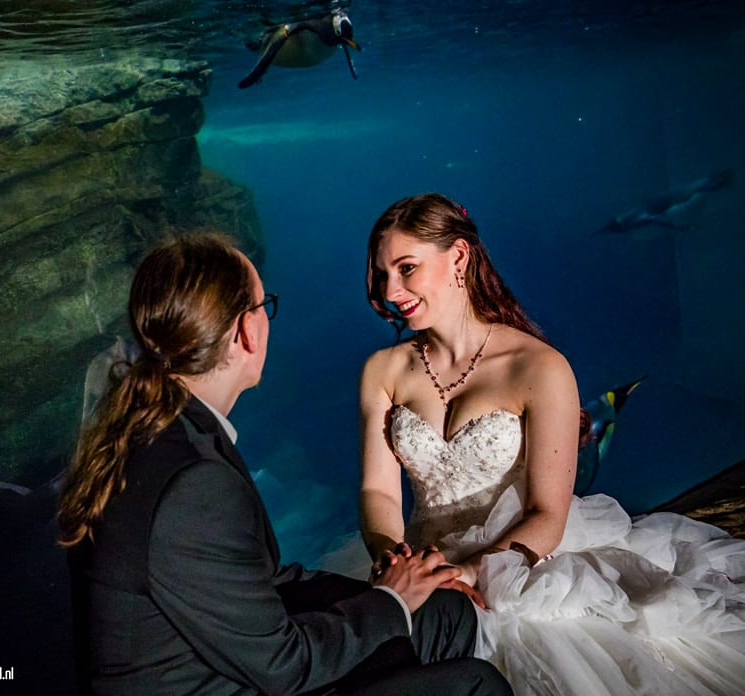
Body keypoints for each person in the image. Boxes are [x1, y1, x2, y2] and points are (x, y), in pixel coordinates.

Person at [56, 233, 512, 696]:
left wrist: (402, 592)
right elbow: (284, 665)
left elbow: (262, 579)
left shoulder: (165, 428)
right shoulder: (194, 481)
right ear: (244, 332)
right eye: (262, 306)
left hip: (231, 656)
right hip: (233, 681)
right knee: (476, 684)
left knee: (443, 616)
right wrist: (391, 600)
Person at [353, 193, 745, 694]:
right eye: (382, 274)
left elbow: (547, 513)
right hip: (418, 563)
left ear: (458, 257)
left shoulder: (540, 367)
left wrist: (470, 574)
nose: (391, 290)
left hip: (522, 560)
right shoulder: (382, 370)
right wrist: (398, 565)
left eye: (406, 268)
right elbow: (378, 494)